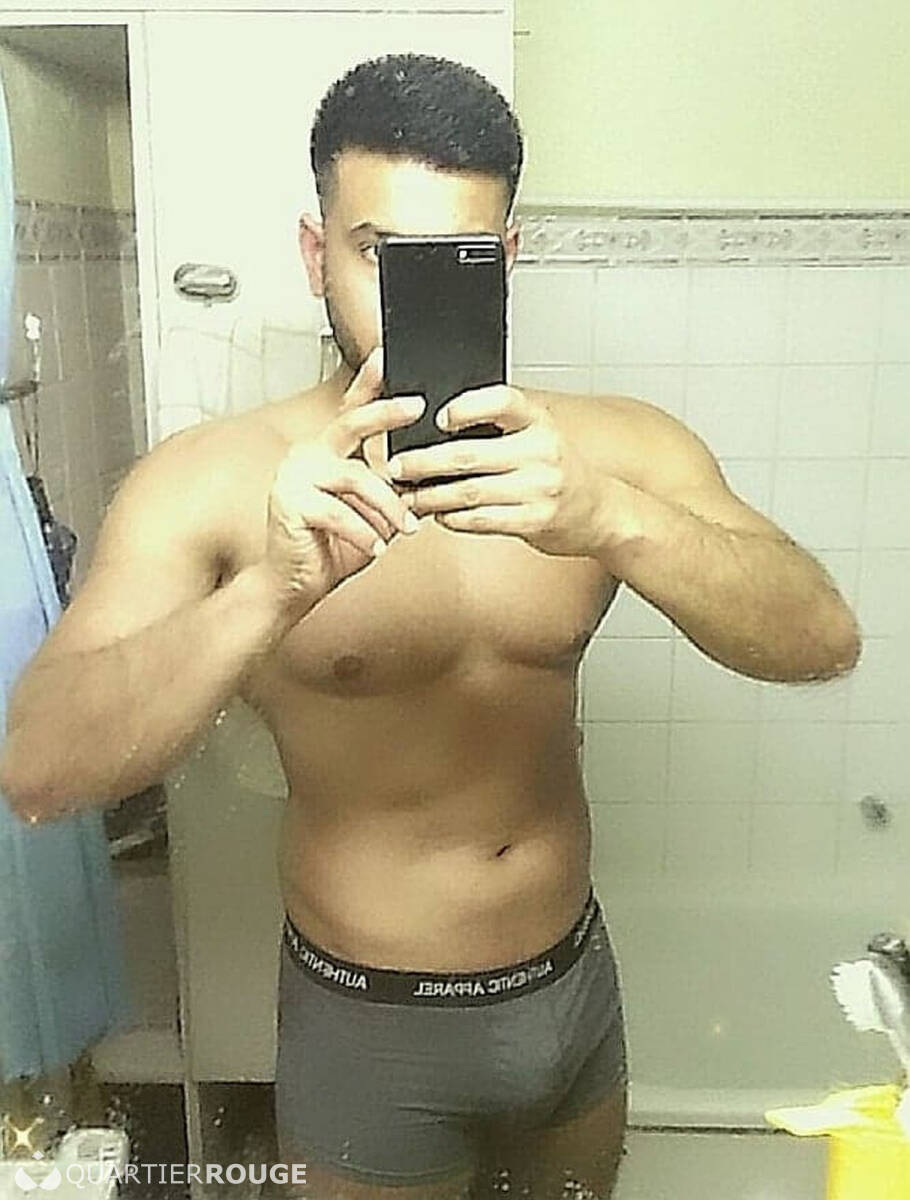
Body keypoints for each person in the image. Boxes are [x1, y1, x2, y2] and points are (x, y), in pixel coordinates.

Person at [0, 53, 861, 1200]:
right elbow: (40, 770)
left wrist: (611, 519)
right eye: (376, 254)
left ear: (504, 257)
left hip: (571, 995)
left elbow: (822, 641)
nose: (404, 297)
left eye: (450, 259)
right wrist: (269, 593)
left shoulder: (610, 453)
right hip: (373, 1025)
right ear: (315, 254)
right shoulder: (211, 483)